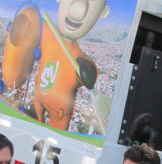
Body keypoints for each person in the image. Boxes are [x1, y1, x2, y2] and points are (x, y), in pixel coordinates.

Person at [33, 0, 109, 129]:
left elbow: (89, 73)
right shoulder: (48, 32)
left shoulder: (78, 57)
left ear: (102, 13)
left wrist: (88, 70)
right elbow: (35, 21)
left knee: (56, 137)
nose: (77, 10)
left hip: (59, 111)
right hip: (38, 98)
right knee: (34, 122)